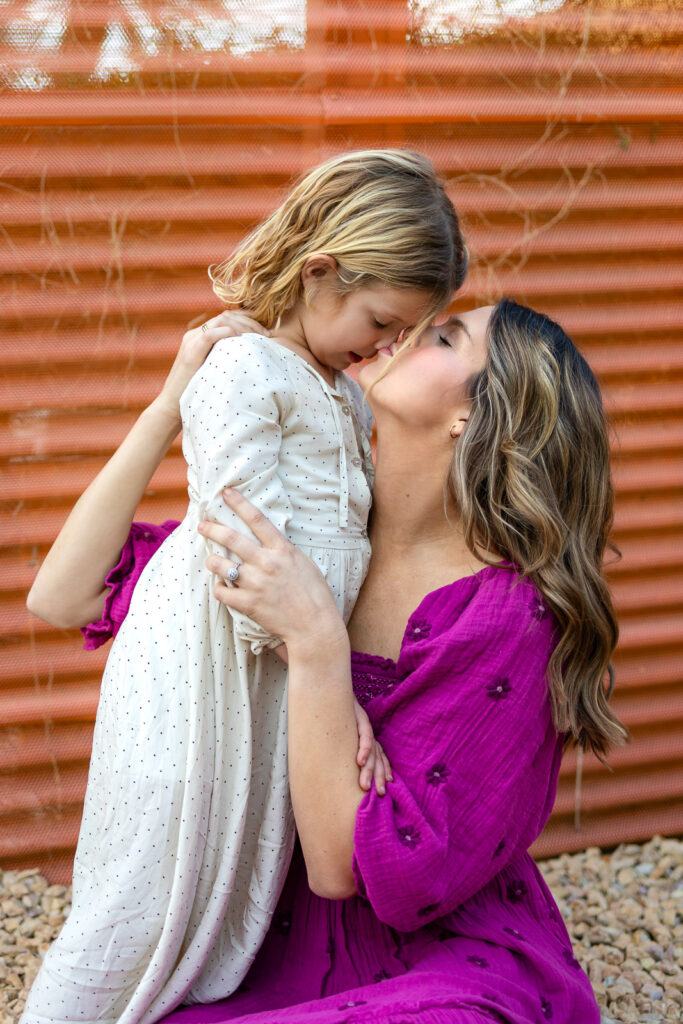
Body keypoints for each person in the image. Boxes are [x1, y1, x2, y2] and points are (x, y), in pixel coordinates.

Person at [26, 298, 626, 1023]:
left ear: (471, 415)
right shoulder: (315, 528)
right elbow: (67, 596)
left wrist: (315, 644)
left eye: (443, 337)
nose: (401, 333)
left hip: (429, 958)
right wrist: (168, 406)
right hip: (247, 935)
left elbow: (344, 867)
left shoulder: (502, 613)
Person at [20, 150, 467, 1024]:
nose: (384, 347)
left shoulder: (343, 393)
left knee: (227, 877)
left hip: (269, 674)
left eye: (404, 334)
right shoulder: (242, 370)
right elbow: (238, 538)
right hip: (206, 666)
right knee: (148, 871)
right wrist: (340, 698)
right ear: (320, 270)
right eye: (380, 320)